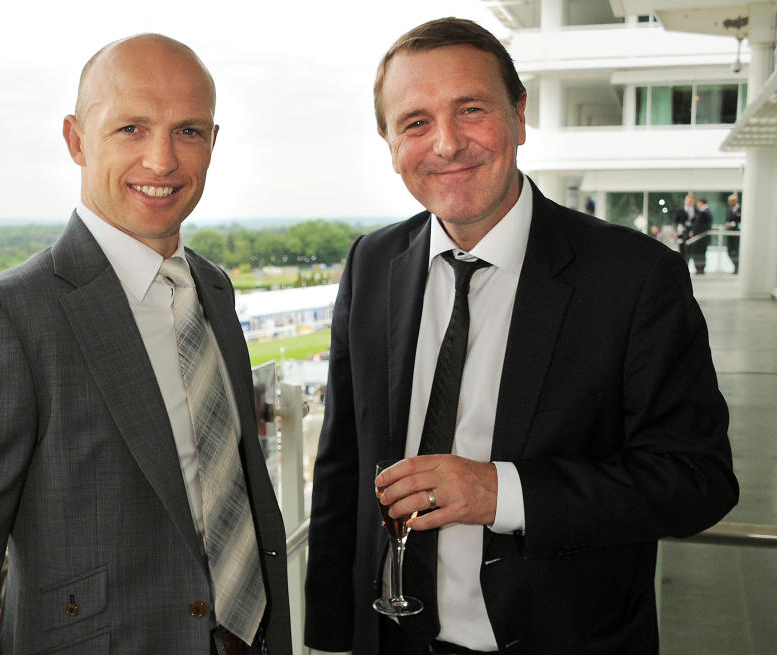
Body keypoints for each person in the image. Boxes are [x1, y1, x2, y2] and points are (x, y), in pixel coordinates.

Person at [304, 17, 737, 655]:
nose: (447, 144)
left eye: (471, 109)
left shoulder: (635, 277)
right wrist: (331, 638)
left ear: (519, 115)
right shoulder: (372, 263)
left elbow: (696, 481)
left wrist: (499, 491)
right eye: (416, 122)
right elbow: (342, 468)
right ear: (389, 141)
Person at [0, 34, 290, 654]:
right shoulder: (4, 317)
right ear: (77, 140)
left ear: (213, 142)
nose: (161, 160)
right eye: (131, 128)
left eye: (187, 131)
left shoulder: (213, 289)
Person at [689, 198, 714, 274]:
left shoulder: (705, 212)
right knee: (701, 253)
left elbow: (701, 225)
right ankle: (699, 269)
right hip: (701, 238)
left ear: (701, 203)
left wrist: (694, 232)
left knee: (699, 253)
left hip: (701, 238)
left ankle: (700, 269)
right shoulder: (705, 212)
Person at [672, 192, 697, 262]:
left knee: (691, 253)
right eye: (688, 200)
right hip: (682, 235)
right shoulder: (679, 211)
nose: (689, 202)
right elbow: (675, 222)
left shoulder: (696, 211)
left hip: (693, 236)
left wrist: (693, 231)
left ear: (693, 202)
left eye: (691, 201)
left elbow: (697, 223)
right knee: (682, 253)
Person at [725, 193, 741, 273]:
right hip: (730, 234)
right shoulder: (729, 210)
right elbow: (727, 220)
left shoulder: (741, 209)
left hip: (738, 235)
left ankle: (738, 268)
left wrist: (733, 224)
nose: (729, 203)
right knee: (729, 251)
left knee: (737, 251)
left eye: (731, 201)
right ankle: (736, 266)